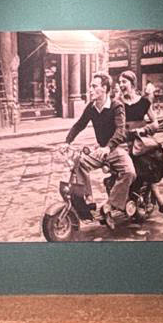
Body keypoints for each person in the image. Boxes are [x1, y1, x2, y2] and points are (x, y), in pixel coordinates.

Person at [64, 72, 134, 227]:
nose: (90, 89)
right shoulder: (92, 107)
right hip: (101, 149)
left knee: (129, 172)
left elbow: (120, 130)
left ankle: (110, 205)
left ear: (105, 88)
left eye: (94, 86)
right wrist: (67, 142)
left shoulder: (116, 106)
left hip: (116, 148)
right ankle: (89, 199)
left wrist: (108, 147)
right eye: (91, 86)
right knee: (79, 163)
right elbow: (79, 125)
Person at [116, 71, 163, 218]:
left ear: (132, 83)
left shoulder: (144, 102)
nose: (121, 85)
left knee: (149, 165)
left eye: (124, 82)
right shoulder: (117, 103)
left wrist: (144, 129)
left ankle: (161, 203)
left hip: (141, 143)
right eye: (120, 82)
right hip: (123, 142)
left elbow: (155, 123)